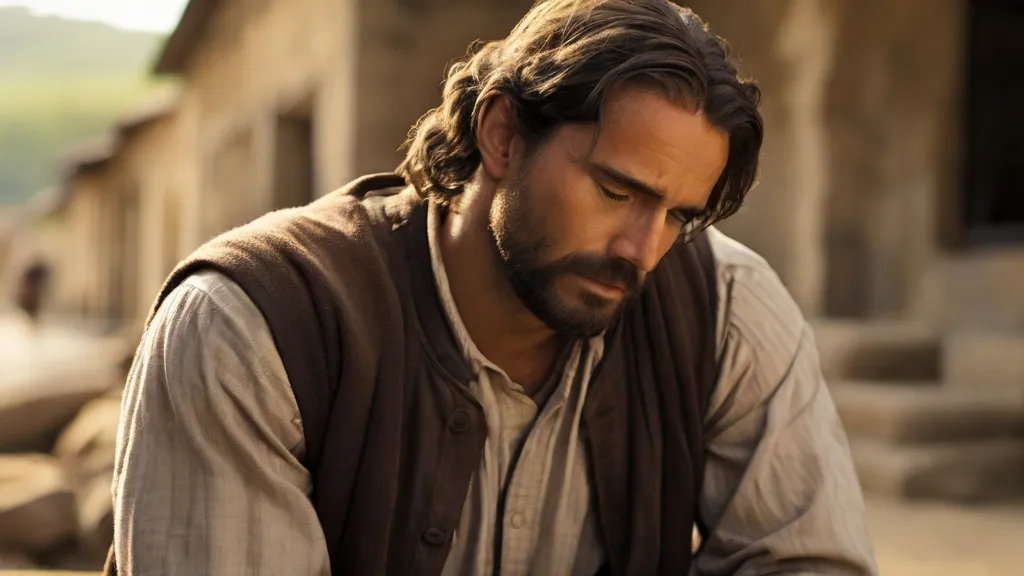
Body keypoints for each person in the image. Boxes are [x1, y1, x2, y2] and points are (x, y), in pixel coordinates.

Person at [107, 1, 877, 574]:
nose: (643, 251)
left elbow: (807, 561)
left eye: (678, 214)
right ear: (502, 134)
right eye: (615, 190)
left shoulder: (723, 308)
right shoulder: (255, 326)